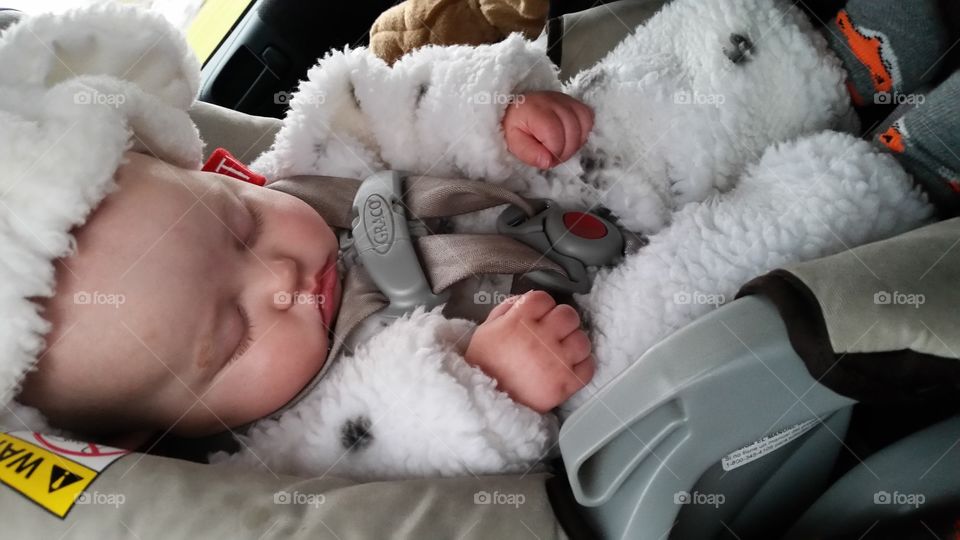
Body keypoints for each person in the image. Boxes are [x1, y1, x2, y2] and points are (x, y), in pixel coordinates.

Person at [0, 0, 955, 480]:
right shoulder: (295, 448)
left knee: (638, 102)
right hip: (599, 331)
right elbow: (405, 454)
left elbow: (398, 92)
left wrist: (500, 110)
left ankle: (835, 54)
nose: (286, 283)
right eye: (230, 336)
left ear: (224, 175)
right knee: (678, 322)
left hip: (574, 186)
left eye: (241, 227)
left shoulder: (322, 151)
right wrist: (489, 385)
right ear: (155, 435)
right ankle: (900, 174)